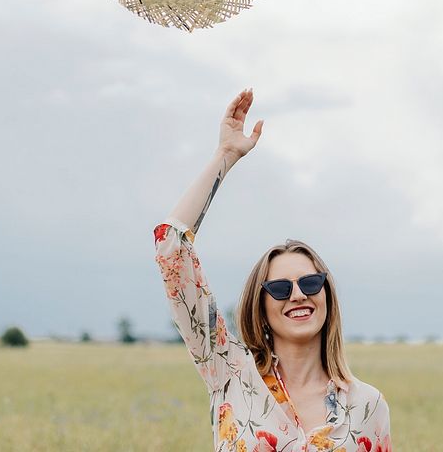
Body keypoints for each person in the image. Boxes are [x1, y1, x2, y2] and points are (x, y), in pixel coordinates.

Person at [154, 88, 393, 452]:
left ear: (327, 295)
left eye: (311, 283)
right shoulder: (229, 373)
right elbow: (171, 247)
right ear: (261, 307)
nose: (298, 294)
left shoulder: (367, 406)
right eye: (280, 288)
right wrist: (226, 155)